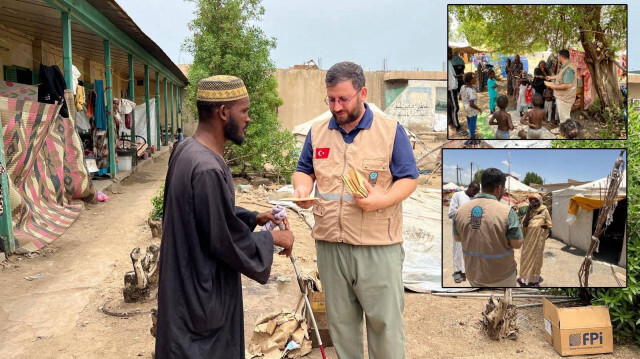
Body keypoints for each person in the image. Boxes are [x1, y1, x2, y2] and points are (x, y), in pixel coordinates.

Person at [155, 75, 295, 358]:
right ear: (222, 113)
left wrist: (253, 217)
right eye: (244, 111)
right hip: (201, 301)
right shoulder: (207, 168)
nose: (248, 119)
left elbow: (209, 214)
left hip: (184, 289)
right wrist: (274, 238)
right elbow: (224, 240)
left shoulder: (187, 150)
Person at [292, 61, 418, 359]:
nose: (336, 106)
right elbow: (303, 170)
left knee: (384, 324)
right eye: (331, 99)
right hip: (330, 245)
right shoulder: (318, 131)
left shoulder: (390, 131)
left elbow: (409, 179)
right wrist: (302, 188)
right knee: (341, 326)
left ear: (361, 93)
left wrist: (381, 200)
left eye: (343, 99)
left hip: (377, 246)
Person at [454, 168, 523, 287]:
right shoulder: (507, 212)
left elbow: (457, 238)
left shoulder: (460, 211)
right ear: (499, 188)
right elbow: (517, 244)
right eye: (504, 189)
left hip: (473, 275)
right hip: (502, 276)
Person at [447, 182, 480, 283]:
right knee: (458, 249)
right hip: (459, 228)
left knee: (471, 250)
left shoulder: (476, 199)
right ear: (469, 188)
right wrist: (465, 211)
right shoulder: (457, 196)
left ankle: (467, 271)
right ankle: (457, 271)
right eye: (474, 191)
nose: (474, 193)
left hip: (472, 229)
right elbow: (451, 213)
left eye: (476, 192)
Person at [518, 193, 552, 287]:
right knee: (526, 259)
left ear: (540, 201)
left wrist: (542, 230)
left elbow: (549, 225)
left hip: (538, 241)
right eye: (532, 201)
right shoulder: (530, 212)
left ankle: (534, 280)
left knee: (536, 260)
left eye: (536, 200)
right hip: (528, 241)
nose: (534, 203)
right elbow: (524, 225)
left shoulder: (544, 211)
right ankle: (525, 279)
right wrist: (528, 210)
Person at [545, 49, 577, 127]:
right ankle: (563, 131)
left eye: (558, 56)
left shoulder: (568, 69)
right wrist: (551, 77)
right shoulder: (565, 66)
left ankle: (568, 135)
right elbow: (560, 76)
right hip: (563, 97)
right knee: (563, 117)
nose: (558, 58)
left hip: (565, 98)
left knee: (565, 118)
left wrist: (554, 86)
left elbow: (568, 85)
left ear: (561, 57)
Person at [460, 72, 482, 142]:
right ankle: (472, 137)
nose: (476, 79)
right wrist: (478, 108)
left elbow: (460, 98)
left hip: (465, 108)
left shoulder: (462, 87)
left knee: (469, 122)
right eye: (474, 78)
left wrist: (465, 100)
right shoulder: (472, 90)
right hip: (472, 110)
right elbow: (471, 104)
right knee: (473, 123)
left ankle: (471, 134)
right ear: (470, 80)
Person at [448, 47, 462, 134]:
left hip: (452, 88)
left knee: (451, 107)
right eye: (451, 53)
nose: (452, 55)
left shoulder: (449, 63)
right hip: (451, 89)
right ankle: (457, 126)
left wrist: (458, 77)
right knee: (455, 107)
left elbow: (452, 76)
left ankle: (452, 122)